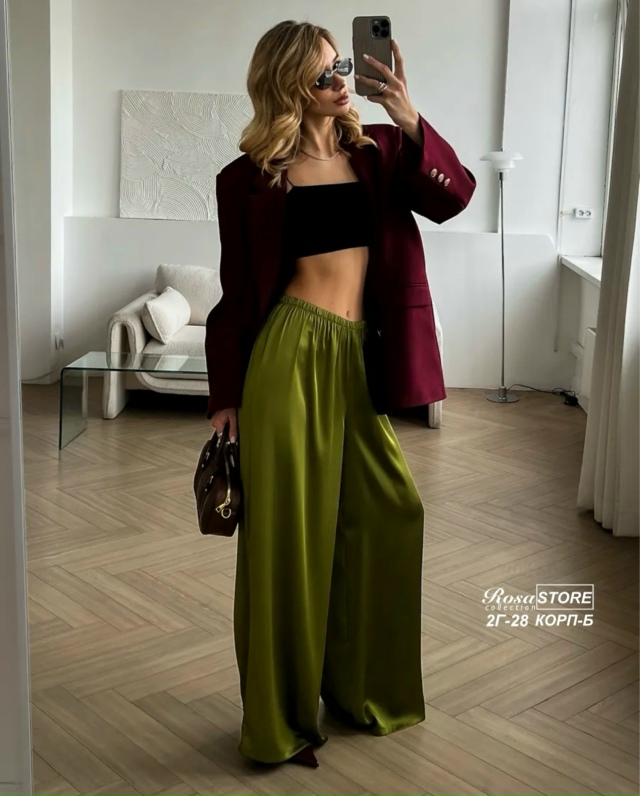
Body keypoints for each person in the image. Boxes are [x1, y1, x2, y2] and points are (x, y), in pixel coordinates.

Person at [205, 19, 476, 769]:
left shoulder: (380, 153)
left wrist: (409, 115)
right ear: (290, 84)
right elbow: (237, 293)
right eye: (325, 73)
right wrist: (226, 395)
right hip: (287, 357)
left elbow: (455, 197)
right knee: (286, 542)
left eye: (342, 67)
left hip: (360, 356)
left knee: (392, 510)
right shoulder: (248, 178)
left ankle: (360, 690)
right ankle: (280, 722)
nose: (342, 82)